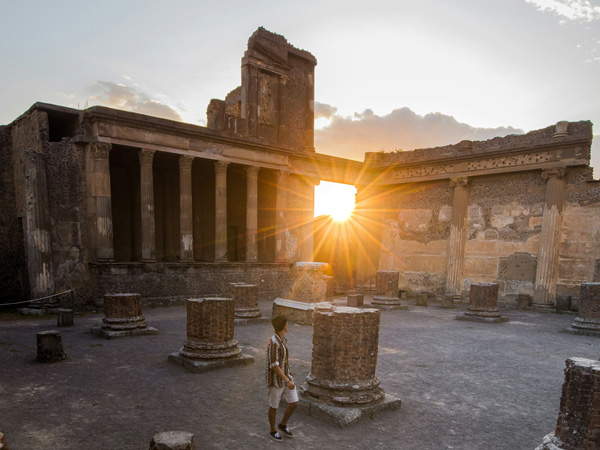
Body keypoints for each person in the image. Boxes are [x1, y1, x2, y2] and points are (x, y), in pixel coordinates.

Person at [266, 315, 297, 441]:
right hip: (276, 381)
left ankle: (282, 424)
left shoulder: (283, 340)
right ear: (284, 326)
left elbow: (283, 359)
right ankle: (272, 430)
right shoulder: (273, 342)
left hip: (285, 377)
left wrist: (288, 370)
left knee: (294, 403)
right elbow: (274, 365)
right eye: (287, 323)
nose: (288, 325)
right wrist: (287, 380)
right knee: (274, 406)